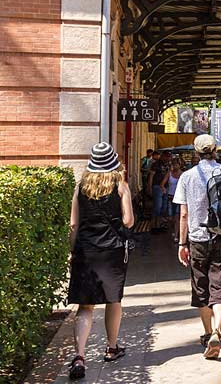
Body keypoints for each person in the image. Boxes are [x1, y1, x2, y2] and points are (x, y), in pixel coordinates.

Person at [174, 134, 221, 360]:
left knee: (202, 285)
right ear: (216, 150)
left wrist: (182, 242)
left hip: (198, 238)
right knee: (220, 282)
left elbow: (184, 214)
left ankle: (208, 332)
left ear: (196, 152)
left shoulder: (187, 177)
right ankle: (218, 330)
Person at [66, 143, 134, 380]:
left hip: (85, 250)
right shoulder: (120, 186)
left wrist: (72, 250)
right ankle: (111, 348)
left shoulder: (80, 187)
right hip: (112, 251)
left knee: (85, 306)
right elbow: (128, 221)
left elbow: (73, 224)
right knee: (113, 300)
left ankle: (80, 356)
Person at [147, 150, 171, 232]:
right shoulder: (156, 164)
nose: (168, 158)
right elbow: (151, 176)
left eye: (169, 157)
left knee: (163, 207)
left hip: (166, 187)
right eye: (167, 156)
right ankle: (154, 226)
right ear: (162, 156)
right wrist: (149, 187)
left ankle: (159, 224)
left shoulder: (168, 165)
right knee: (157, 207)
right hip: (157, 187)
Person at [162, 158, 183, 243]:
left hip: (179, 198)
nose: (175, 166)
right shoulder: (169, 174)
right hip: (170, 197)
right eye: (173, 164)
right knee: (170, 218)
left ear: (179, 165)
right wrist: (164, 189)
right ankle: (173, 230)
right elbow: (162, 184)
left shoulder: (183, 174)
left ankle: (176, 234)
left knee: (177, 217)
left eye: (176, 164)